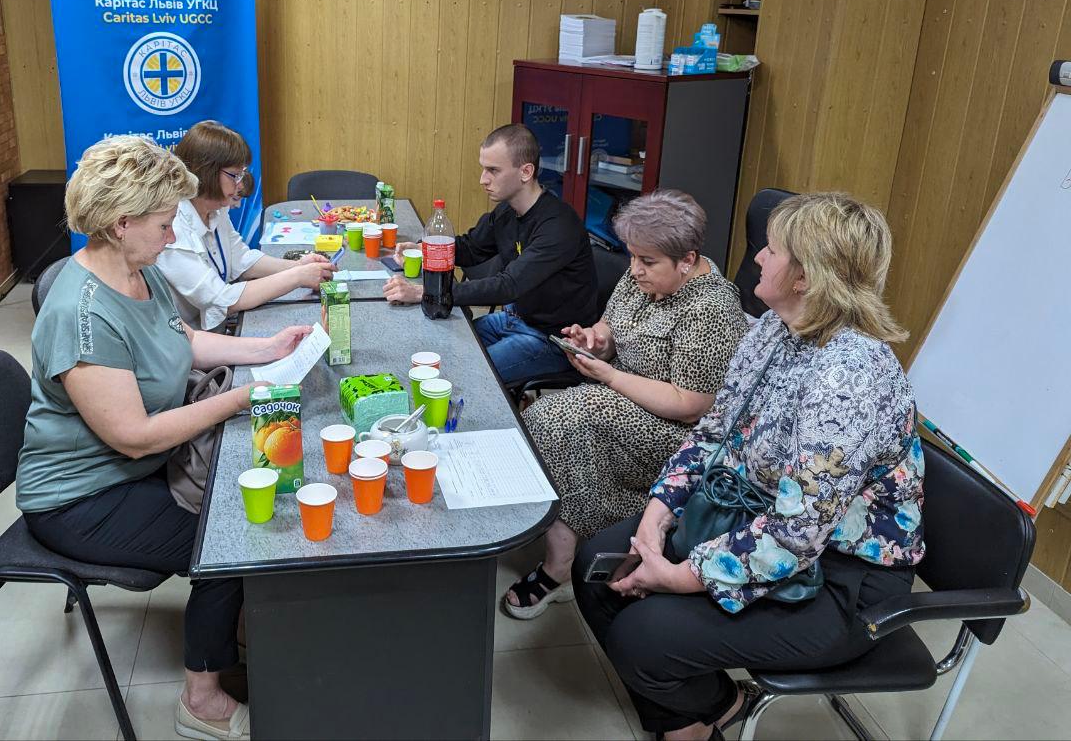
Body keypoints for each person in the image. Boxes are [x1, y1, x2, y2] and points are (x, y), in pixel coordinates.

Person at [572, 192, 926, 741]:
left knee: (644, 634)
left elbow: (796, 536)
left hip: (843, 580)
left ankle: (708, 707)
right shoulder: (770, 329)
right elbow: (712, 434)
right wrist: (658, 512)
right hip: (750, 518)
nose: (757, 256)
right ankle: (697, 716)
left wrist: (680, 576)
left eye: (773, 249)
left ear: (808, 278)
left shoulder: (849, 378)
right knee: (597, 566)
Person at [15, 135, 313, 741]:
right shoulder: (83, 315)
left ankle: (249, 633)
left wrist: (265, 349)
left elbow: (181, 339)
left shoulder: (135, 269)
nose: (172, 235)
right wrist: (240, 396)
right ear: (121, 223)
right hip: (81, 498)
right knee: (232, 539)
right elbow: (135, 437)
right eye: (161, 224)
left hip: (130, 465)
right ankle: (200, 701)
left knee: (239, 495)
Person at [503, 191, 748, 619]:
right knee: (552, 419)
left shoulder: (712, 308)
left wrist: (612, 376)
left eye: (647, 261)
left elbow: (692, 404)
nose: (634, 269)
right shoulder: (643, 276)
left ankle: (564, 563)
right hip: (622, 398)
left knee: (557, 420)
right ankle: (570, 536)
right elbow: (611, 326)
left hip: (678, 433)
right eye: (632, 257)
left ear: (687, 260)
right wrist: (594, 340)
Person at [382, 123, 598, 384]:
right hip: (511, 320)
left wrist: (425, 292)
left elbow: (509, 285)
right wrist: (426, 249)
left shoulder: (558, 226)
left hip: (552, 340)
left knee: (461, 378)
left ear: (526, 172)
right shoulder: (507, 211)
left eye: (493, 170)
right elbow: (471, 248)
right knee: (434, 354)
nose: (483, 179)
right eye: (484, 169)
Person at [156, 121, 335, 330]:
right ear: (207, 172)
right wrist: (296, 277)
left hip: (218, 332)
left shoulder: (215, 208)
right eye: (235, 175)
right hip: (194, 345)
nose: (240, 184)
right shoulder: (174, 228)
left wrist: (299, 266)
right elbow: (221, 298)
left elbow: (241, 259)